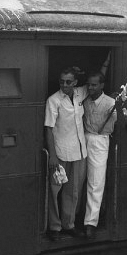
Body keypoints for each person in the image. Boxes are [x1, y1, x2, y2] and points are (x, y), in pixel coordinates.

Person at [45, 67, 89, 240]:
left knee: (74, 191)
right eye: (62, 81)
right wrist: (53, 155)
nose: (64, 84)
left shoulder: (80, 93)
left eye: (68, 81)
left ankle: (68, 225)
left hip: (79, 152)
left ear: (75, 82)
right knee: (55, 191)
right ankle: (54, 227)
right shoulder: (53, 100)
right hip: (60, 152)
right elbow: (48, 129)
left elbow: (98, 78)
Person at [82, 72, 117, 240]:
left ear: (102, 85)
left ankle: (90, 223)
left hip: (100, 141)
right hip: (82, 138)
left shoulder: (111, 103)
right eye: (89, 84)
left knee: (96, 182)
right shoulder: (85, 100)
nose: (90, 87)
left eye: (94, 85)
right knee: (78, 180)